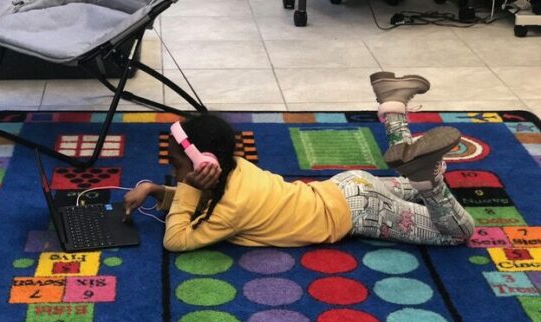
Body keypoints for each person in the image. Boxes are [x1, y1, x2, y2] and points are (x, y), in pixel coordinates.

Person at [123, 72, 474, 252]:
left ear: (204, 163)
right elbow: (204, 198)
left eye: (178, 166)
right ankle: (394, 110)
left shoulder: (230, 209)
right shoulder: (238, 169)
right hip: (348, 185)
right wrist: (155, 190)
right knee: (410, 185)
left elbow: (178, 240)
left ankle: (429, 178)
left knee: (458, 233)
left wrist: (182, 190)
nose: (175, 173)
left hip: (360, 212)